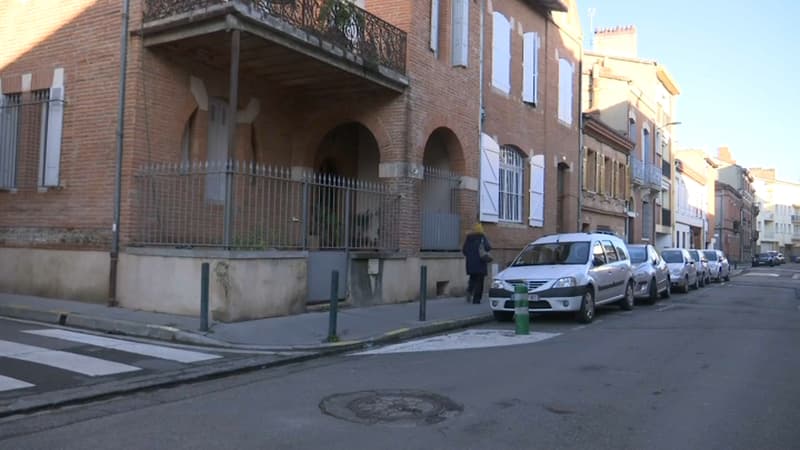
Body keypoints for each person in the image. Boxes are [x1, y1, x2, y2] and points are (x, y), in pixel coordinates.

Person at [462, 223, 491, 304]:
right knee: (479, 282)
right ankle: (476, 299)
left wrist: (470, 257)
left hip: (471, 264)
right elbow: (488, 247)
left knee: (472, 279)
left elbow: (464, 250)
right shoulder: (482, 237)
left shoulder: (469, 238)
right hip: (481, 263)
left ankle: (469, 291)